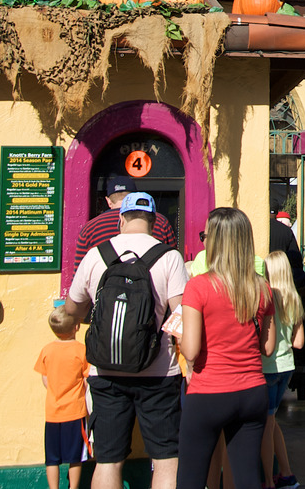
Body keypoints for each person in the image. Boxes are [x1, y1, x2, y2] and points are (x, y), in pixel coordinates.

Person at [66, 192, 187, 489]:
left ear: (121, 219)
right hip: (159, 373)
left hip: (105, 373)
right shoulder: (169, 256)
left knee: (108, 460)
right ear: (155, 221)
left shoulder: (97, 254)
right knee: (167, 458)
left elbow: (72, 310)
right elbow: (182, 315)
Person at [176, 208, 275, 489]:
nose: (203, 242)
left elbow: (192, 351)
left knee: (190, 479)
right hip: (252, 391)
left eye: (205, 235)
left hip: (209, 392)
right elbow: (268, 347)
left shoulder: (198, 287)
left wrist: (179, 336)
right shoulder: (262, 288)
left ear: (217, 241)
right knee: (247, 477)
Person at [261, 251, 304, 489]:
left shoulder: (267, 298)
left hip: (267, 367)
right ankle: (286, 473)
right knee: (272, 421)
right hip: (286, 366)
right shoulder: (294, 298)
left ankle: (268, 480)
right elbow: (298, 342)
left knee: (266, 425)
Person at [34, 307, 89, 489]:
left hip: (52, 412)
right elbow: (88, 379)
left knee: (52, 457)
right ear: (76, 327)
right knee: (75, 456)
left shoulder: (47, 350)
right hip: (75, 411)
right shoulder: (81, 350)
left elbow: (45, 379)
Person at [74, 176, 177, 270]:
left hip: (103, 289)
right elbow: (173, 261)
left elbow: (78, 275)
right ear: (135, 197)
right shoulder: (160, 221)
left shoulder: (90, 228)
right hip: (152, 287)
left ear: (108, 201)